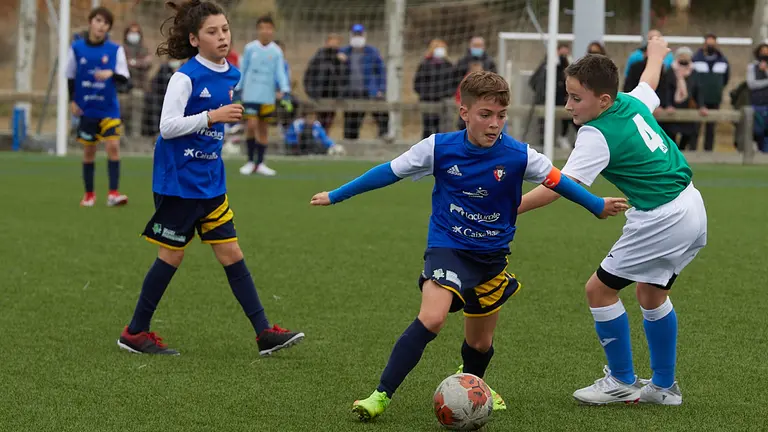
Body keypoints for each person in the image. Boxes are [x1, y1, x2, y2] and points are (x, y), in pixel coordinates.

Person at [310, 71, 629, 422]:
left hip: (492, 257)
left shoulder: (519, 155)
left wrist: (595, 205)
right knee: (432, 318)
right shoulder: (438, 148)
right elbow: (389, 171)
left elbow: (559, 181)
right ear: (464, 112)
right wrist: (336, 195)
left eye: (501, 116)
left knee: (479, 344)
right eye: (485, 115)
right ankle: (380, 395)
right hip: (448, 246)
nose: (494, 124)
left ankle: (474, 386)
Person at [518, 37, 707, 406]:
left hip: (662, 218)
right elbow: (649, 81)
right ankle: (664, 387)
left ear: (603, 100)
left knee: (599, 290)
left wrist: (509, 210)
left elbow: (561, 186)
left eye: (576, 98)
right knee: (651, 294)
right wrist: (657, 54)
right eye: (568, 95)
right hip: (690, 205)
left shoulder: (595, 134)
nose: (568, 105)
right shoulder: (630, 102)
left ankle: (621, 380)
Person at [117, 0, 304, 357]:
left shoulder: (232, 74)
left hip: (210, 181)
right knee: (171, 257)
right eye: (212, 31)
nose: (222, 37)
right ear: (194, 39)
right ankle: (134, 332)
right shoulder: (184, 77)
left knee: (231, 252)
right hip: (179, 182)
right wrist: (212, 116)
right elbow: (167, 127)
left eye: (225, 29)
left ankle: (264, 333)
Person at [66, 6, 130, 207]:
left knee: (113, 147)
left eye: (106, 23)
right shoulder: (76, 48)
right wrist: (72, 100)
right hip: (87, 109)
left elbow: (125, 78)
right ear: (90, 22)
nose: (101, 26)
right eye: (98, 21)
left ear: (109, 28)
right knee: (89, 151)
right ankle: (89, 195)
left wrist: (112, 74)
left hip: (109, 108)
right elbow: (70, 76)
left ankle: (113, 194)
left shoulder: (115, 50)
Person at [236, 15, 292, 177]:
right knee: (251, 125)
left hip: (267, 96)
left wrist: (285, 90)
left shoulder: (276, 51)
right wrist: (238, 89)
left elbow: (280, 72)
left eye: (269, 28)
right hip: (250, 94)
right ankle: (249, 161)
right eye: (262, 28)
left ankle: (260, 163)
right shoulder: (250, 48)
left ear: (272, 30)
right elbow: (243, 69)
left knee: (263, 129)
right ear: (258, 30)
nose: (265, 31)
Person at [414, 39, 455, 138]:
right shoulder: (425, 64)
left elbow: (453, 83)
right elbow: (417, 83)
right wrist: (426, 95)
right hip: (427, 101)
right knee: (427, 127)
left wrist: (446, 95)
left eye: (442, 48)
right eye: (437, 48)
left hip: (443, 102)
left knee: (441, 128)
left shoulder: (448, 65)